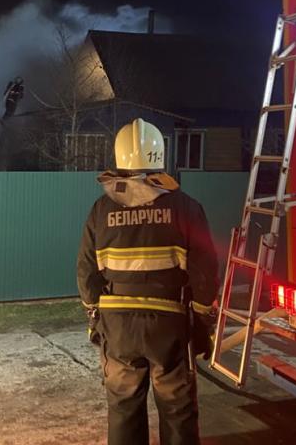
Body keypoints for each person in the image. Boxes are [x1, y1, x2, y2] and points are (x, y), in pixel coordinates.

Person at [77, 118, 219, 445]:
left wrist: (94, 315)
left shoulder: (101, 209)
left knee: (123, 409)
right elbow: (205, 272)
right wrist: (201, 321)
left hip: (118, 327)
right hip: (169, 325)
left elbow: (86, 270)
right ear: (160, 156)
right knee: (177, 410)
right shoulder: (186, 207)